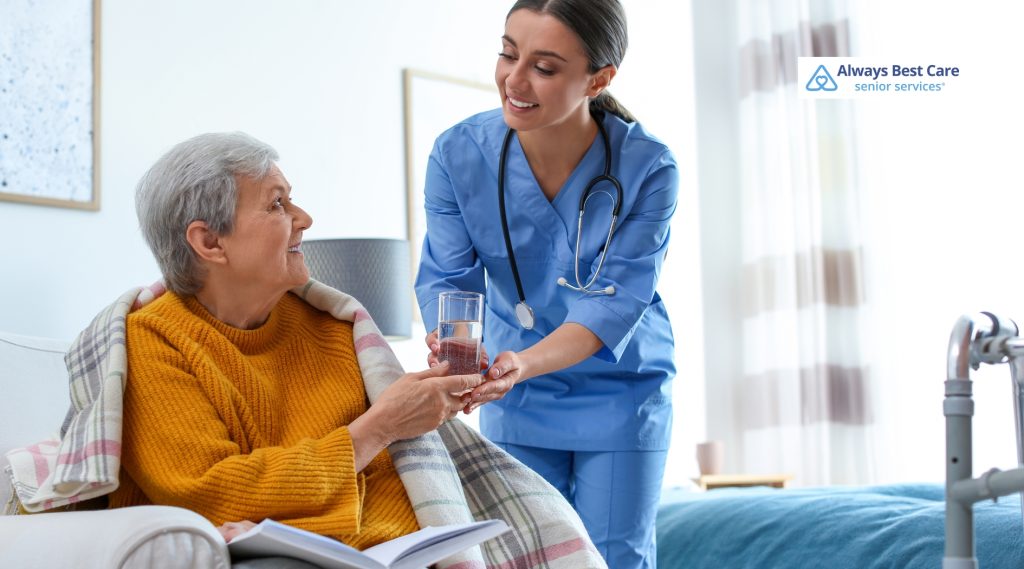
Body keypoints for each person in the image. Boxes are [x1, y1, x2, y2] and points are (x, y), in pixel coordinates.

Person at [108, 132, 483, 549]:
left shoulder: (332, 329)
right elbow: (211, 494)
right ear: (210, 242)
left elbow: (394, 481)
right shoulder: (154, 341)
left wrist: (427, 402)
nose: (303, 218)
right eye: (277, 204)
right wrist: (381, 427)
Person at [413, 1, 678, 568]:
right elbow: (449, 278)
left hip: (620, 388)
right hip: (516, 393)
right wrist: (459, 350)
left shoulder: (649, 167)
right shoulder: (459, 155)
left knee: (614, 557)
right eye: (508, 53)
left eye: (545, 67)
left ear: (599, 79)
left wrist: (521, 363)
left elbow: (616, 303)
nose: (514, 79)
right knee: (521, 555)